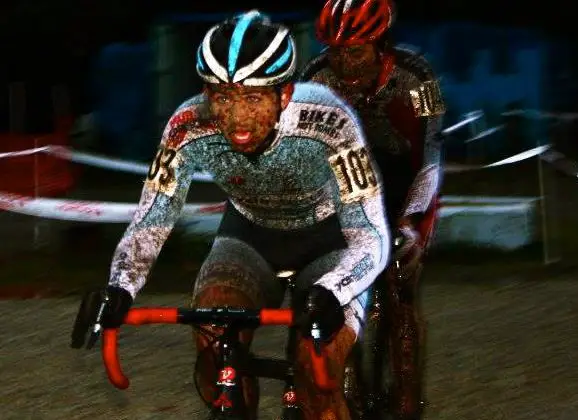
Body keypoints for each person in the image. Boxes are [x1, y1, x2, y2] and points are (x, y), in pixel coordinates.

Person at [70, 10, 391, 420]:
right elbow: (154, 218)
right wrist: (119, 288)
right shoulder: (187, 125)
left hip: (330, 245)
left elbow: (369, 234)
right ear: (206, 94)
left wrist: (334, 289)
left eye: (253, 98)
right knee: (213, 351)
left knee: (317, 373)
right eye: (222, 97)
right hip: (248, 239)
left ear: (285, 95)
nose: (237, 118)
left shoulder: (329, 120)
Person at [299, 0, 446, 418]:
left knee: (400, 290)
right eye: (335, 51)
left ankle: (406, 403)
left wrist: (411, 222)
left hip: (405, 185)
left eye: (356, 51)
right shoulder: (316, 77)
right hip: (344, 189)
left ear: (381, 46)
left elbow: (431, 156)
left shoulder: (416, 76)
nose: (344, 64)